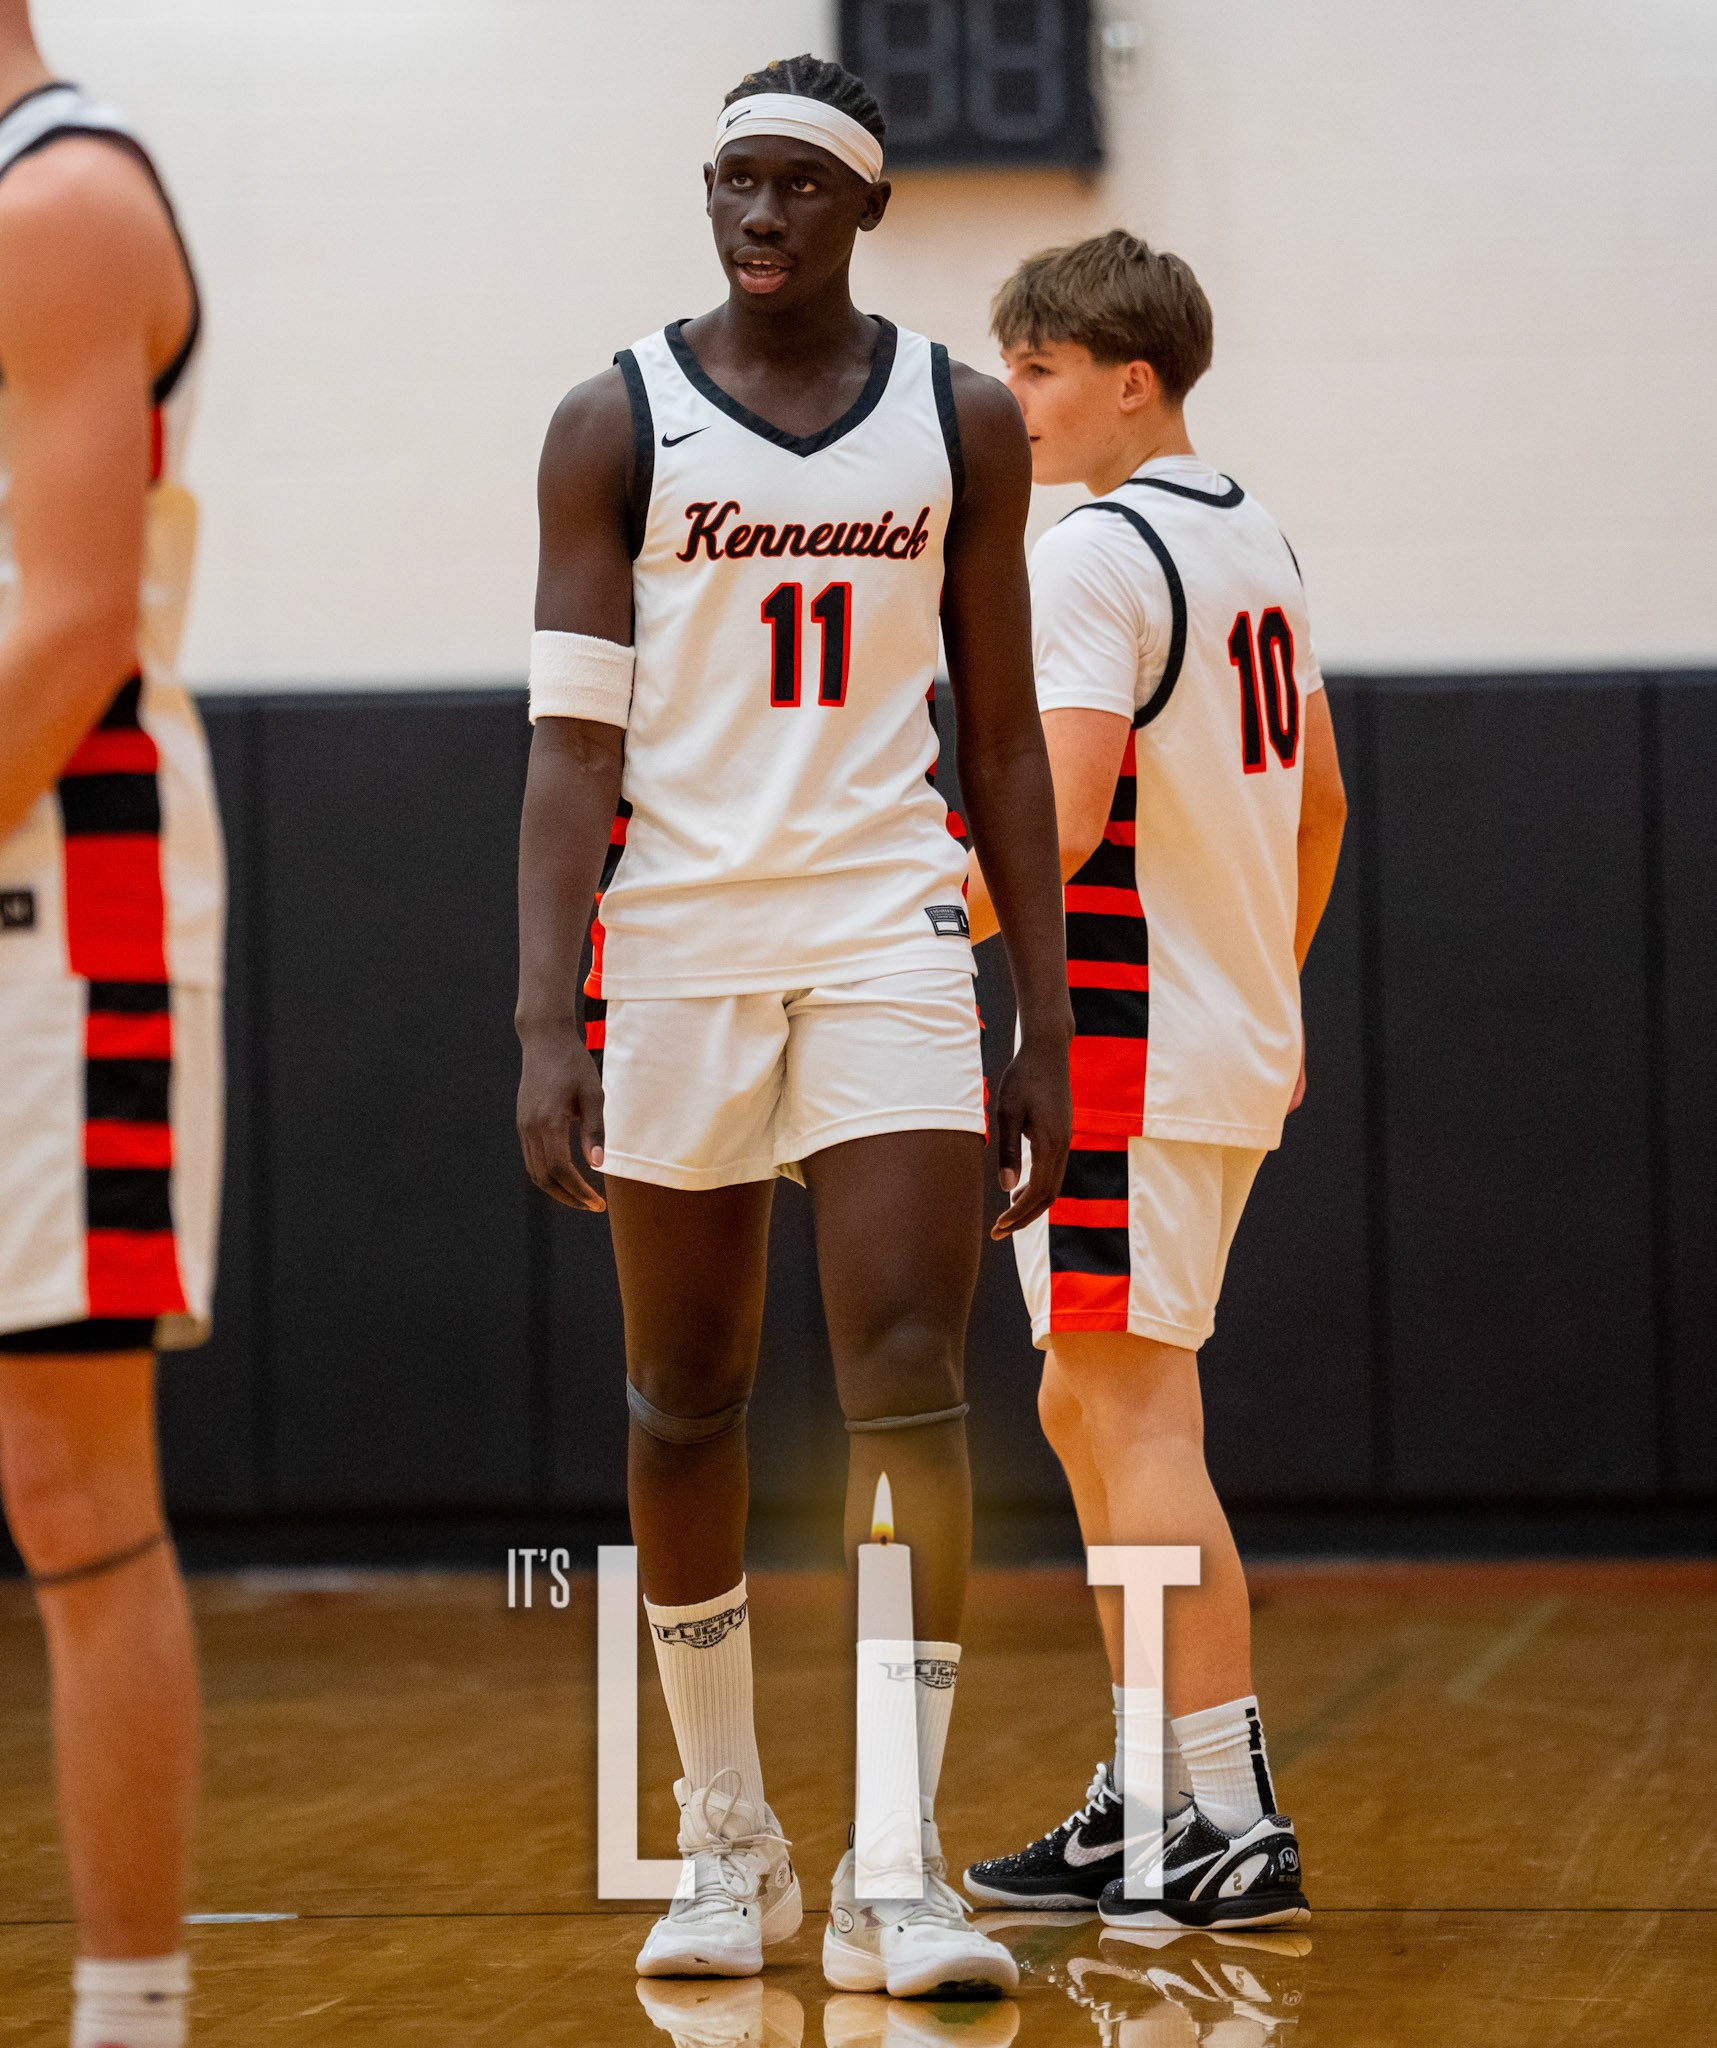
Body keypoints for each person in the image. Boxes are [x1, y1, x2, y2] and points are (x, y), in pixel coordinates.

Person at [515, 54, 1071, 2000]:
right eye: (733, 182)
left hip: (887, 928)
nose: (759, 215)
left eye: (798, 186)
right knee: (686, 1390)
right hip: (675, 935)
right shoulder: (614, 417)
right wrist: (544, 1016)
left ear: (867, 207)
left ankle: (894, 1866)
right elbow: (569, 742)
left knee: (911, 1375)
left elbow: (1008, 740)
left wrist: (1045, 1019)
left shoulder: (960, 417)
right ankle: (728, 1837)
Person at [960, 230, 1346, 1930]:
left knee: (1129, 1413)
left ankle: (1226, 1816)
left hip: (1123, 1044)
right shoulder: (1251, 531)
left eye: (1038, 368)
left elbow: (1053, 825)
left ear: (1133, 380)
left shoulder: (1095, 553)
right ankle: (1147, 1791)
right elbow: (1318, 804)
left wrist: (895, 910)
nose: (1013, 399)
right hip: (1215, 1037)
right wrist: (1272, 987)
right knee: (1086, 1404)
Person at [0, 9, 221, 2047]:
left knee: (71, 1487)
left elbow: (68, 626)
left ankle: (128, 2020)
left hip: (68, 900)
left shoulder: (62, 197)